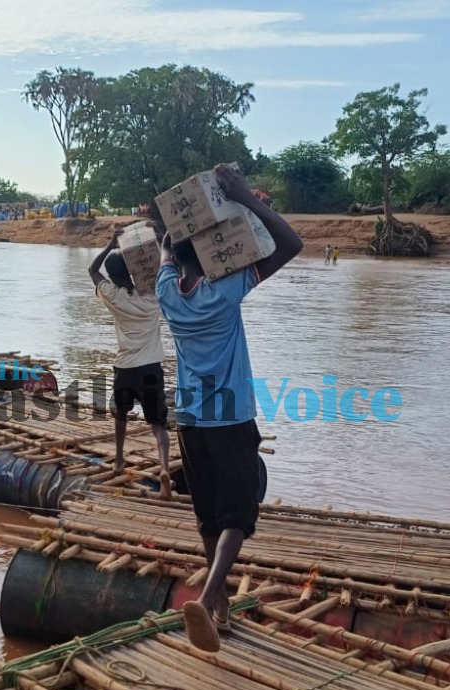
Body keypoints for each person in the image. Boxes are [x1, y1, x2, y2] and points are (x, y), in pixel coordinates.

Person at [156, 164, 303, 651]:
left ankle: (217, 610)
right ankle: (211, 592)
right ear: (211, 257)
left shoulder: (165, 295)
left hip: (190, 420)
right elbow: (290, 245)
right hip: (231, 418)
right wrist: (245, 199)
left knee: (207, 512)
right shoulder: (225, 292)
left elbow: (164, 249)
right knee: (238, 513)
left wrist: (178, 225)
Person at [88, 230, 173, 500]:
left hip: (125, 367)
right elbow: (162, 269)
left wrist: (109, 244)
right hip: (151, 368)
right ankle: (164, 468)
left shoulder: (113, 296)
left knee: (121, 416)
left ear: (113, 276)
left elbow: (92, 270)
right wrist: (159, 243)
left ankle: (120, 459)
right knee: (159, 426)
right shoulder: (151, 297)